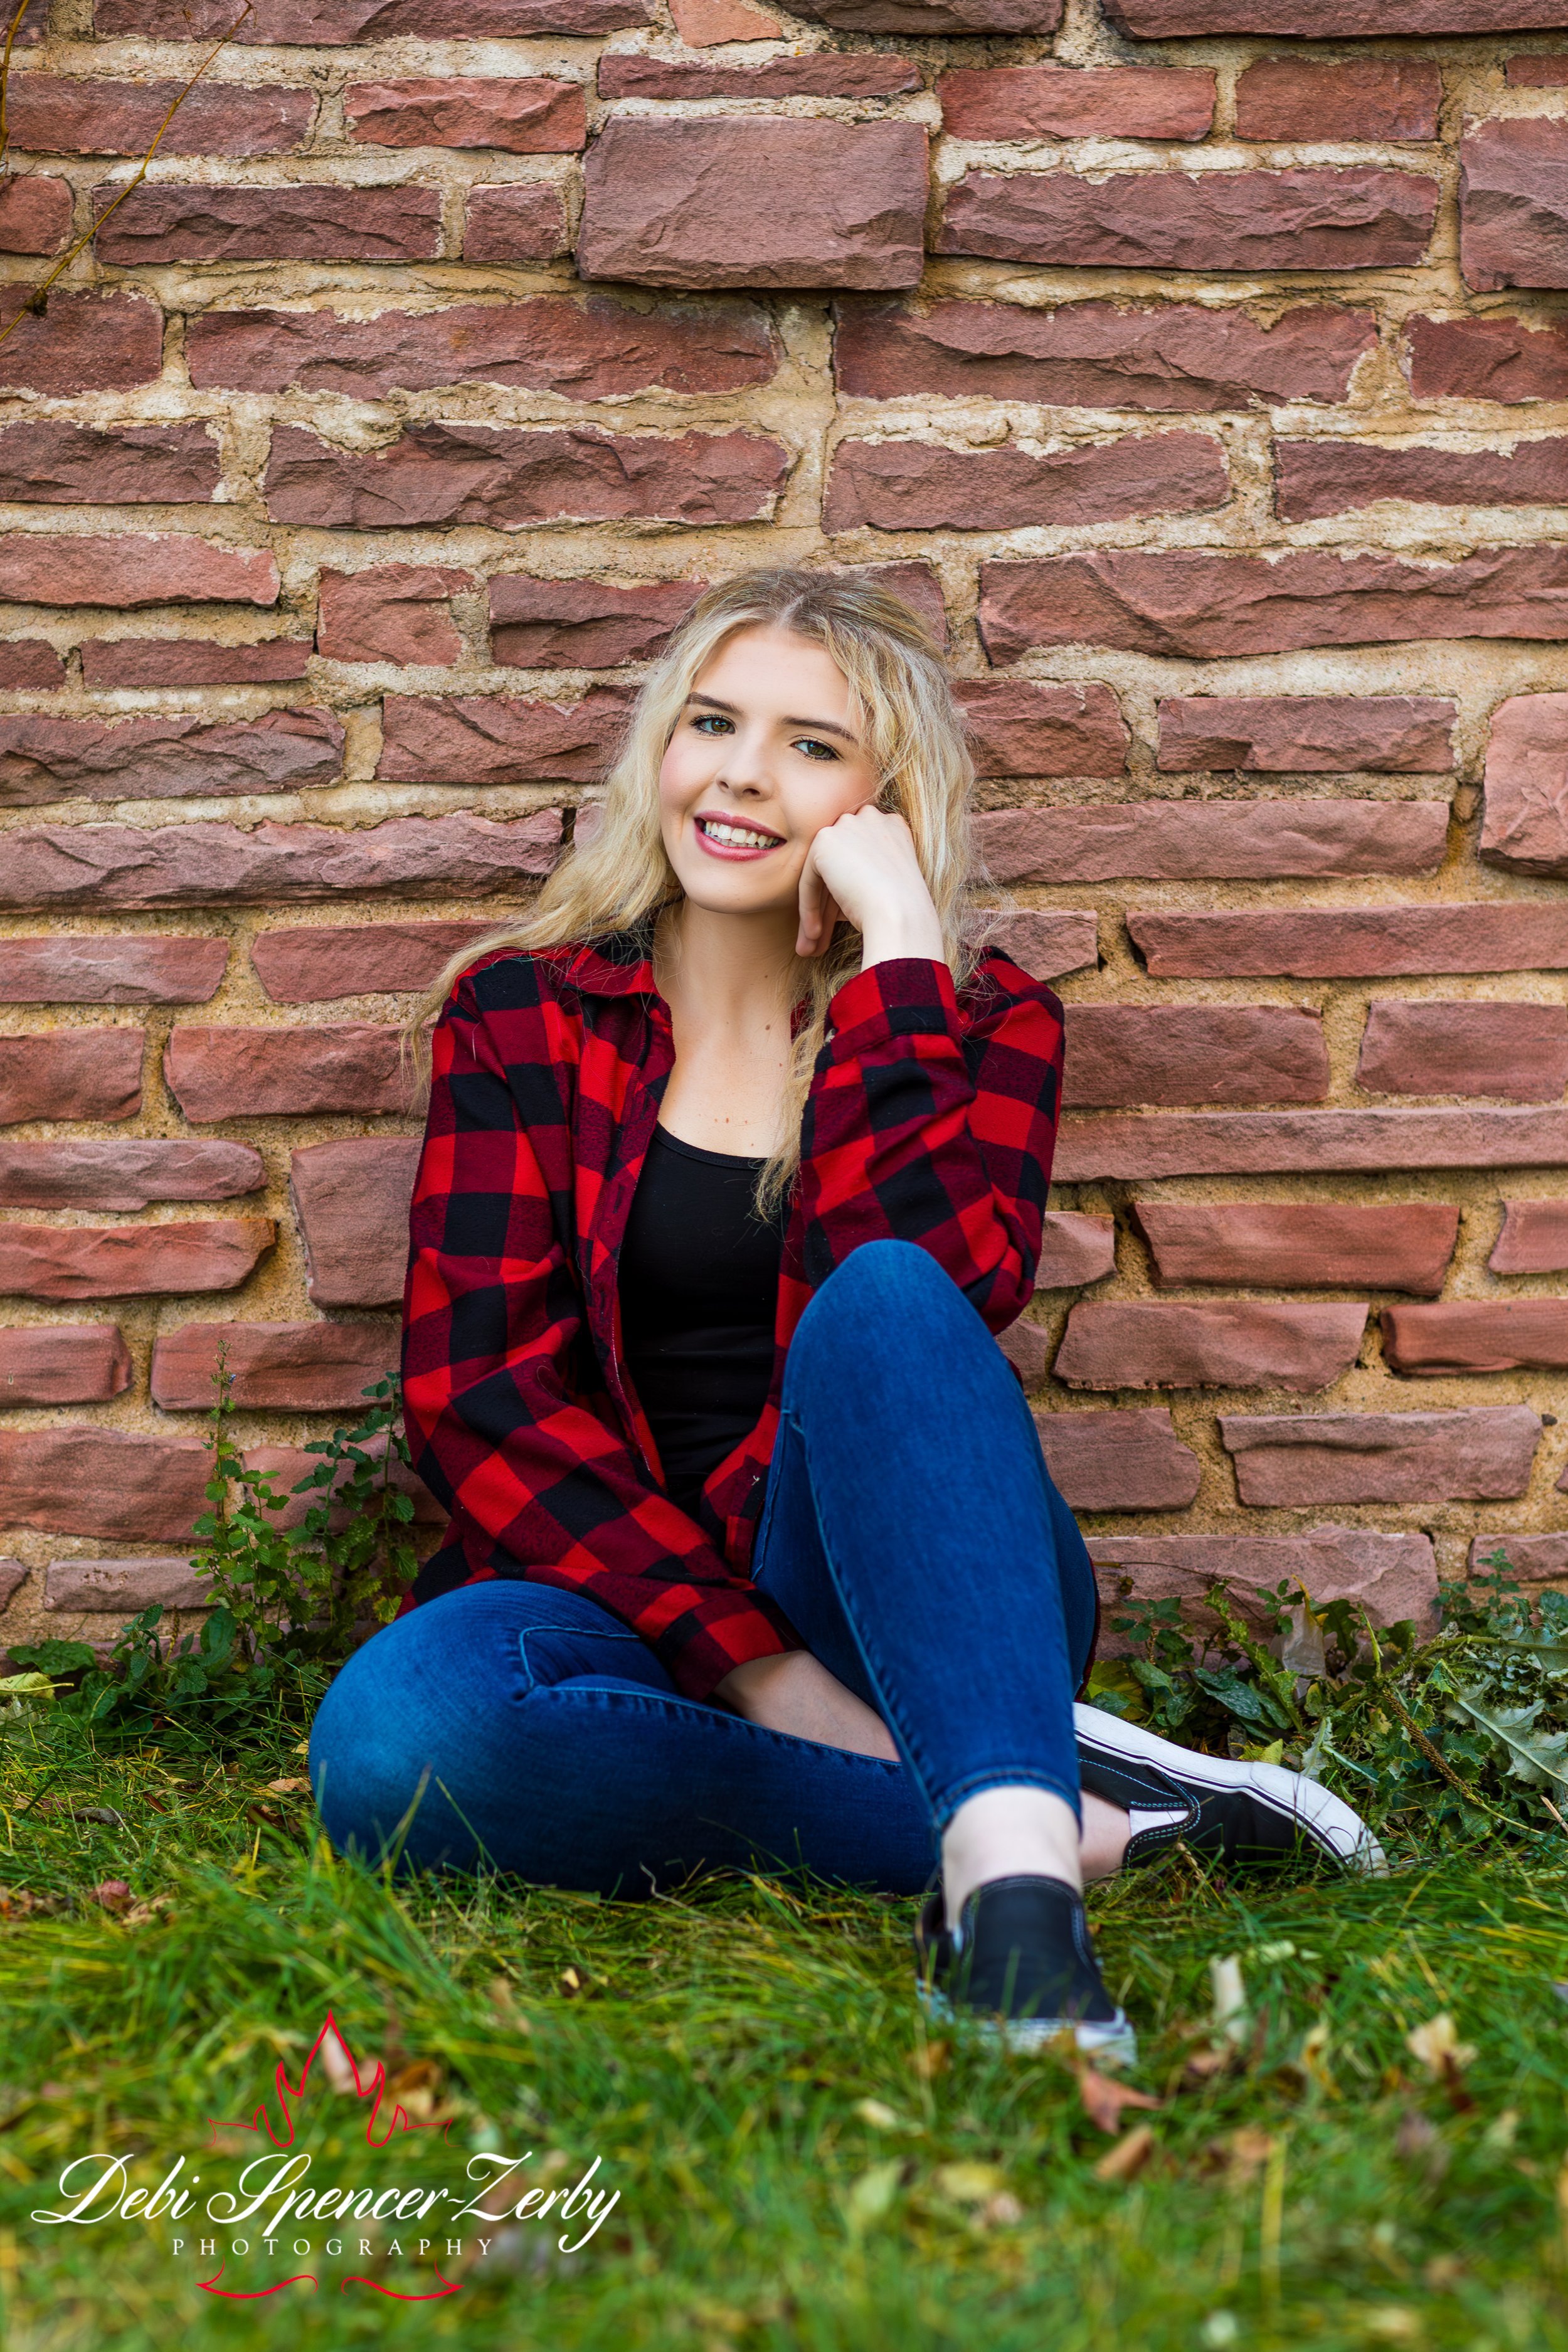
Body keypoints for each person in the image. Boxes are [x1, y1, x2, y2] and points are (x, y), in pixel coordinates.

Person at [309, 568, 1381, 2060]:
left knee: (879, 1291)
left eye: (811, 745)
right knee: (396, 1744)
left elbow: (939, 1291)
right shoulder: (526, 1015)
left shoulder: (985, 1021)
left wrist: (893, 960)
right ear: (658, 755)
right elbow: (478, 1391)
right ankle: (1065, 1823)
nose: (742, 774)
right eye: (711, 724)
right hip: (613, 1599)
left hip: (905, 1581)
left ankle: (1005, 1921)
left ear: (883, 802)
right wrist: (753, 1665)